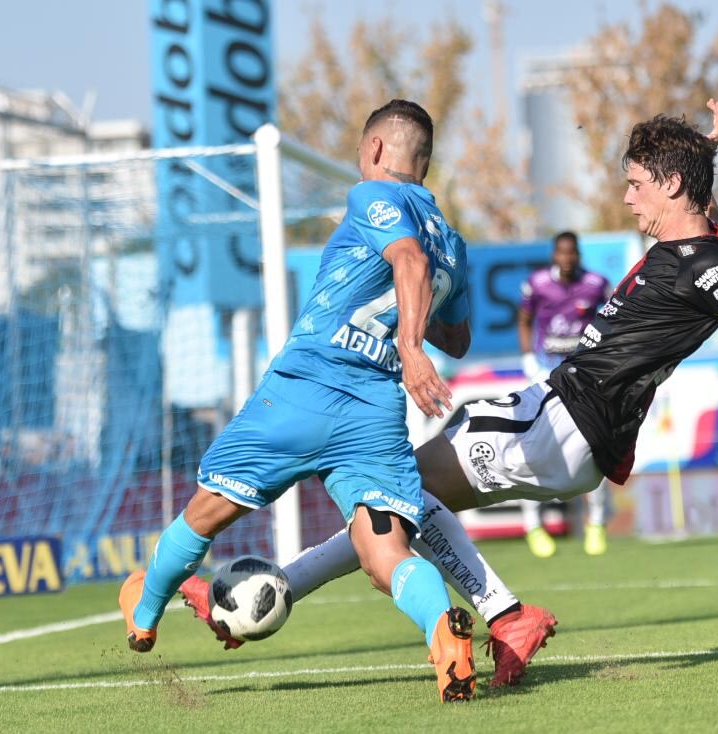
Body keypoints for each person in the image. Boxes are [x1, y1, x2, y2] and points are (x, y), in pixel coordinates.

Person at [178, 99, 718, 688]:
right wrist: (704, 150)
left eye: (636, 185)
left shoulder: (712, 276)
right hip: (571, 434)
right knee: (389, 507)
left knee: (395, 495)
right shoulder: (708, 243)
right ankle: (274, 588)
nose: (627, 199)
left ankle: (504, 613)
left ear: (668, 184)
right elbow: (704, 210)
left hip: (559, 423)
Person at [119, 100, 482, 702]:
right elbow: (461, 337)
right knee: (385, 552)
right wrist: (416, 332)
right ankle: (443, 632)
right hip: (374, 411)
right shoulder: (455, 244)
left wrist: (412, 346)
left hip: (307, 387)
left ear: (374, 151)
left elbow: (407, 261)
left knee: (209, 511)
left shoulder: (373, 196)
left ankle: (145, 612)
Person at [518, 232, 611, 558]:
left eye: (572, 253)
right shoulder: (538, 283)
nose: (567, 258)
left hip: (584, 373)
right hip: (546, 372)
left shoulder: (597, 283)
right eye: (561, 253)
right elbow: (525, 319)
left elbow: (613, 319)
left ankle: (596, 524)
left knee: (593, 443)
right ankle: (533, 525)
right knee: (535, 444)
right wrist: (528, 358)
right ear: (555, 255)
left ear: (578, 255)